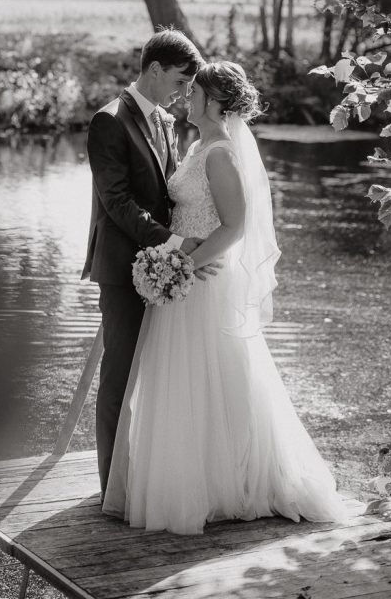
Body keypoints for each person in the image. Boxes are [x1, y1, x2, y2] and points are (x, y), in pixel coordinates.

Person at [103, 61, 349, 534]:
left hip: (205, 280)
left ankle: (238, 482)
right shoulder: (198, 146)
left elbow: (235, 226)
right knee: (185, 379)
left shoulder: (220, 154)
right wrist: (176, 264)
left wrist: (184, 265)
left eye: (194, 91)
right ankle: (195, 480)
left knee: (217, 375)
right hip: (185, 279)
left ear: (215, 102)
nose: (186, 96)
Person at [82, 29, 204, 497]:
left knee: (157, 374)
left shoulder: (163, 120)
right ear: (154, 69)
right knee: (120, 377)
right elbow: (116, 201)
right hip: (122, 270)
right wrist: (173, 242)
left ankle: (145, 473)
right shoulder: (109, 121)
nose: (184, 92)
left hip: (163, 269)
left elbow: (167, 194)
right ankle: (111, 485)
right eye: (179, 80)